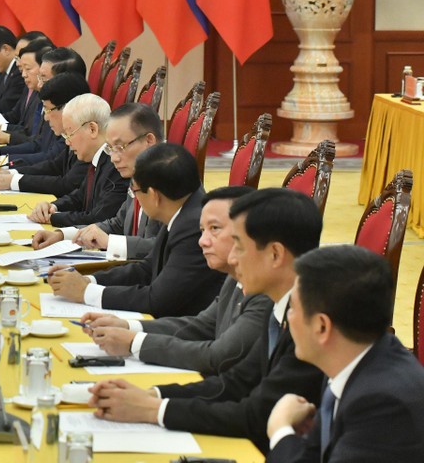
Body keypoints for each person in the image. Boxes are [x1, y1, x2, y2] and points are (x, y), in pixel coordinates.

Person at [89, 188, 326, 453]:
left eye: (239, 246)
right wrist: (151, 395)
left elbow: (256, 414)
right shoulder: (282, 306)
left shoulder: (312, 325)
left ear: (275, 254)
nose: (233, 258)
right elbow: (235, 382)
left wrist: (152, 409)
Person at [81, 186, 273, 376]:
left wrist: (134, 343)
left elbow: (217, 356)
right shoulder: (235, 276)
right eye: (202, 230)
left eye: (214, 229)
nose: (202, 241)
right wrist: (128, 326)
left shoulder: (266, 291)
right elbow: (202, 326)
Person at [266, 244, 424, 461]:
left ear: (322, 326)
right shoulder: (350, 359)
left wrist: (280, 430)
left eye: (292, 308)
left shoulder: (383, 405)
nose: (288, 317)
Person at [48, 143, 224, 317]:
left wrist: (86, 292)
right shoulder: (181, 209)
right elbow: (147, 269)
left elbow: (157, 300)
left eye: (135, 191)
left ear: (154, 195)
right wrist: (88, 280)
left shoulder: (195, 226)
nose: (135, 198)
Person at [31, 102, 163, 256]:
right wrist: (63, 235)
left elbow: (166, 247)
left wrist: (109, 242)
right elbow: (118, 224)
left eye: (120, 147)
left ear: (149, 141)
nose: (113, 158)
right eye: (110, 148)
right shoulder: (139, 173)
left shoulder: (174, 180)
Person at [16, 93, 129, 228]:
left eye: (69, 134)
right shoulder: (96, 159)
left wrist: (53, 218)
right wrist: (53, 207)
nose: (67, 142)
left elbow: (98, 218)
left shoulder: (116, 166)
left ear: (92, 129)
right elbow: (79, 197)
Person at [0, 73, 91, 197]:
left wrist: (14, 181)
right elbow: (54, 166)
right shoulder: (71, 135)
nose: (45, 117)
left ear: (67, 107)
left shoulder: (87, 141)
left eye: (48, 110)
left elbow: (66, 185)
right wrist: (10, 172)